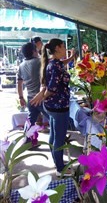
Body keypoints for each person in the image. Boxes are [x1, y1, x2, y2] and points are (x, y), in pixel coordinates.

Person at [31, 38, 72, 176]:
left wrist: (42, 95)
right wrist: (42, 96)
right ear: (58, 48)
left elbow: (51, 85)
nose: (65, 49)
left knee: (54, 135)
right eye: (64, 46)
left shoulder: (54, 63)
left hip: (53, 106)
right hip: (59, 107)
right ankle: (60, 169)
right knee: (59, 138)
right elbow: (52, 88)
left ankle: (57, 162)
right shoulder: (55, 66)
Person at [17, 42, 49, 137]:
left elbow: (19, 84)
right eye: (36, 49)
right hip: (41, 97)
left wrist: (21, 98)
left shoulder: (21, 66)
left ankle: (26, 141)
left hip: (30, 98)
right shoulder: (39, 62)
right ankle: (58, 141)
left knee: (30, 121)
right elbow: (56, 62)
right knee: (53, 119)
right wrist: (71, 57)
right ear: (33, 51)